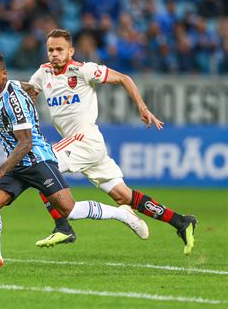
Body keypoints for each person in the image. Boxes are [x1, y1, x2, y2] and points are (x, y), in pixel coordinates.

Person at [0, 52, 148, 270]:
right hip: (19, 163)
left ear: (3, 74)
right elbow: (30, 88)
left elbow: (26, 143)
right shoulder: (2, 87)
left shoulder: (13, 102)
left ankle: (123, 214)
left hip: (38, 161)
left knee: (70, 210)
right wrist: (30, 94)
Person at [20, 29, 197, 254]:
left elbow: (124, 78)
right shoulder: (43, 73)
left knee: (40, 166)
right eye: (50, 50)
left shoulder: (84, 70)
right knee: (124, 196)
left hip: (85, 138)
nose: (54, 54)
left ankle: (62, 227)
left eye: (59, 50)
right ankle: (181, 222)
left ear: (70, 51)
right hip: (81, 145)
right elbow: (29, 92)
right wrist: (7, 87)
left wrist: (143, 108)